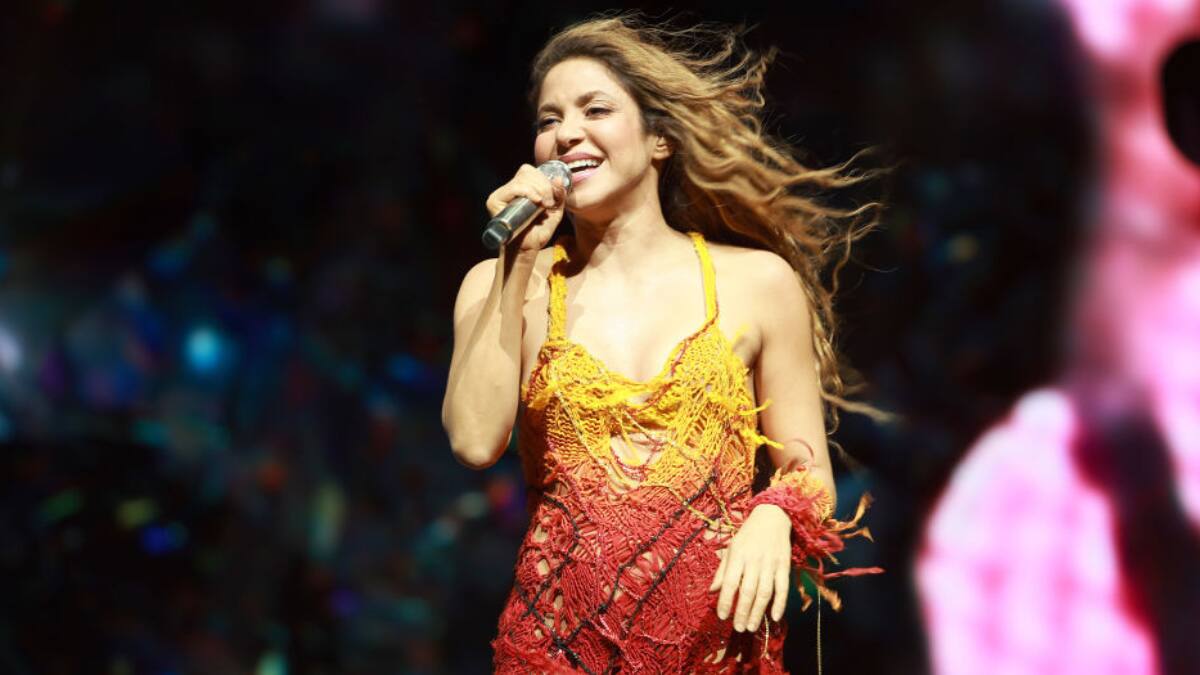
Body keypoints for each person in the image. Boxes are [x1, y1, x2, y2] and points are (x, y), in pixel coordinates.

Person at [442, 14, 883, 673]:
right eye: (548, 120)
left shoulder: (757, 283)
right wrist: (516, 264)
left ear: (660, 139)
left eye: (596, 109)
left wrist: (775, 514)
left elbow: (809, 472)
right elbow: (476, 442)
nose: (566, 133)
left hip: (714, 650)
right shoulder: (503, 282)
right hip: (556, 650)